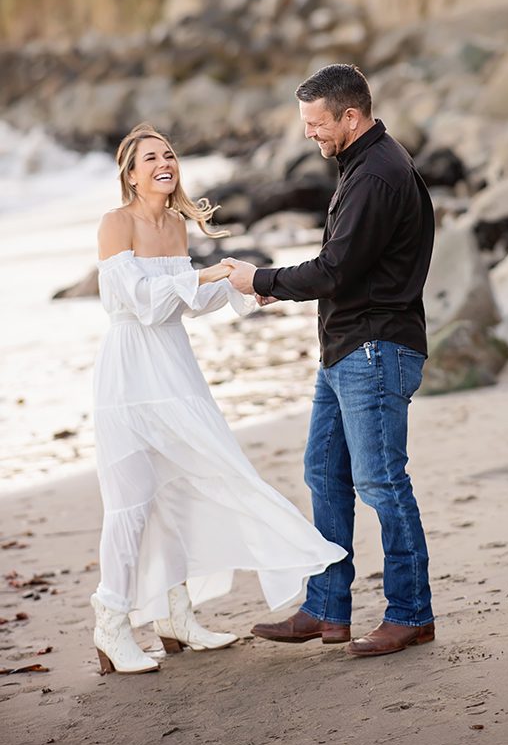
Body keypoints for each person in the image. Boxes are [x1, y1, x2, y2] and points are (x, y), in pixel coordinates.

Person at [91, 122, 346, 675]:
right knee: (132, 504)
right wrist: (206, 274)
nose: (165, 163)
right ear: (130, 174)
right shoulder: (116, 224)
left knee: (180, 492)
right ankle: (111, 621)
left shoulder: (178, 228)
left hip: (175, 370)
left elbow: (180, 306)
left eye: (170, 154)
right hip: (130, 375)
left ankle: (174, 615)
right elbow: (136, 302)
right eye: (150, 157)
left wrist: (238, 285)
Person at [224, 64, 435, 657]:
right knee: (324, 473)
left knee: (381, 482)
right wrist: (279, 285)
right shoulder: (364, 166)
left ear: (351, 114)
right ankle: (326, 609)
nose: (310, 136)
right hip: (348, 349)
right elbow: (346, 264)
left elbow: (336, 269)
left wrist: (259, 276)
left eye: (317, 125)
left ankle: (412, 612)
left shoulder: (377, 175)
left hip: (374, 349)